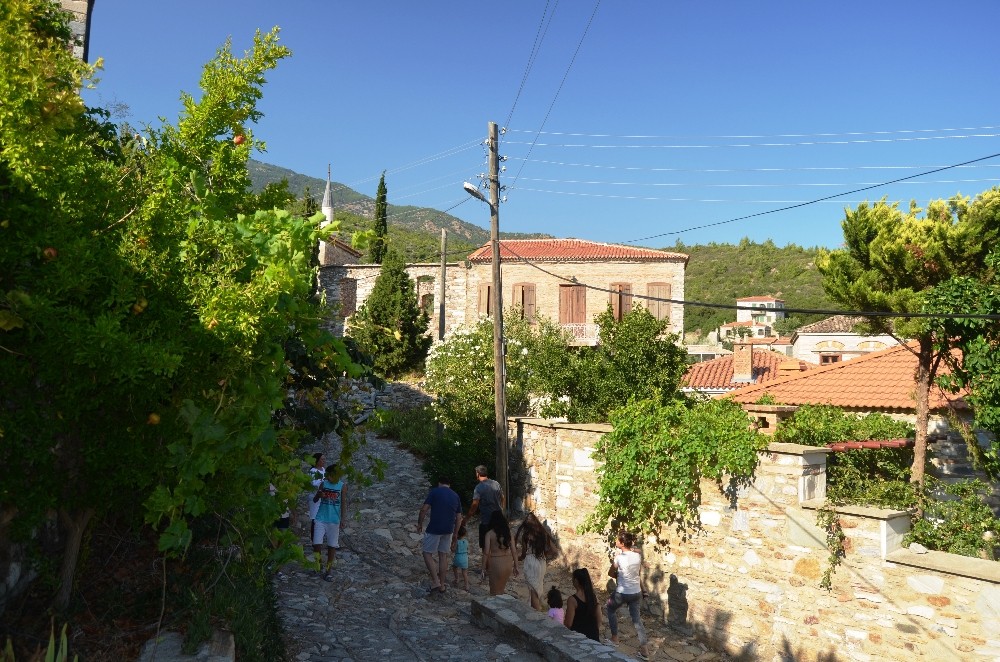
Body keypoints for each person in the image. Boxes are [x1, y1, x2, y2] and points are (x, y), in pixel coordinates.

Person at [606, 530, 650, 660]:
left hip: (622, 592)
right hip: (636, 592)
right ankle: (645, 650)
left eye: (617, 540)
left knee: (610, 609)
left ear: (621, 543)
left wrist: (617, 575)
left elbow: (610, 573)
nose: (615, 541)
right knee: (637, 620)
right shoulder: (637, 556)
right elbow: (637, 573)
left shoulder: (619, 558)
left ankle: (615, 638)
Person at [417, 476, 463, 595]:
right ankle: (442, 585)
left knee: (427, 553)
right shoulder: (455, 495)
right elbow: (459, 517)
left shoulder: (435, 492)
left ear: (439, 483)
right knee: (443, 556)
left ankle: (435, 581)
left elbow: (424, 509)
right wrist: (456, 534)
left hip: (434, 528)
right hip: (448, 530)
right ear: (449, 484)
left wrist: (420, 523)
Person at [515, 512, 559, 610]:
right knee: (537, 587)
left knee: (533, 590)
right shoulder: (543, 534)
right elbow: (555, 551)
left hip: (530, 563)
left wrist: (516, 558)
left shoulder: (526, 536)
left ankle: (537, 612)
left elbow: (523, 554)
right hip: (541, 562)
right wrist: (545, 555)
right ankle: (535, 608)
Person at [463, 465, 504, 565]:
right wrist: (501, 510)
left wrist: (466, 519)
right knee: (497, 544)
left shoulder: (479, 488)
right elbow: (502, 498)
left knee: (486, 546)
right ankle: (496, 566)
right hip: (499, 520)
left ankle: (487, 568)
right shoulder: (496, 484)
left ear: (477, 474)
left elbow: (474, 506)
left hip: (486, 520)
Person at [313, 464, 346, 582]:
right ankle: (319, 564)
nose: (329, 478)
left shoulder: (342, 486)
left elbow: (343, 503)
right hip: (321, 518)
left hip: (334, 520)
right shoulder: (324, 484)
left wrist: (343, 519)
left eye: (331, 475)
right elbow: (315, 499)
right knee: (317, 543)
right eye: (328, 475)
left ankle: (328, 571)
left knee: (332, 546)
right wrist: (319, 495)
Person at [482, 510, 518, 595]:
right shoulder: (508, 533)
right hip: (508, 563)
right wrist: (516, 566)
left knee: (494, 592)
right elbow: (514, 551)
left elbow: (486, 552)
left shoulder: (489, 534)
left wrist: (483, 567)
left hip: (496, 562)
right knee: (501, 590)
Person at [564, 568, 600, 642]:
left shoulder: (572, 600)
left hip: (578, 638)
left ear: (576, 581)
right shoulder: (594, 597)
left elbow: (568, 624)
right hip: (593, 637)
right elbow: (599, 619)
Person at [307, 452, 325, 540]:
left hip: (322, 497)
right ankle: (314, 538)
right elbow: (313, 483)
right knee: (314, 517)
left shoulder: (323, 470)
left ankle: (320, 537)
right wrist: (322, 481)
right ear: (317, 460)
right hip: (314, 496)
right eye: (322, 459)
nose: (324, 461)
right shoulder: (313, 471)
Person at [451, 525, 470, 591]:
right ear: (465, 534)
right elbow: (468, 549)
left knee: (454, 567)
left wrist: (451, 546)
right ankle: (467, 585)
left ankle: (457, 579)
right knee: (464, 573)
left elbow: (453, 550)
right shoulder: (466, 541)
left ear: (457, 534)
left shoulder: (457, 541)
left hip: (458, 557)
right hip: (465, 558)